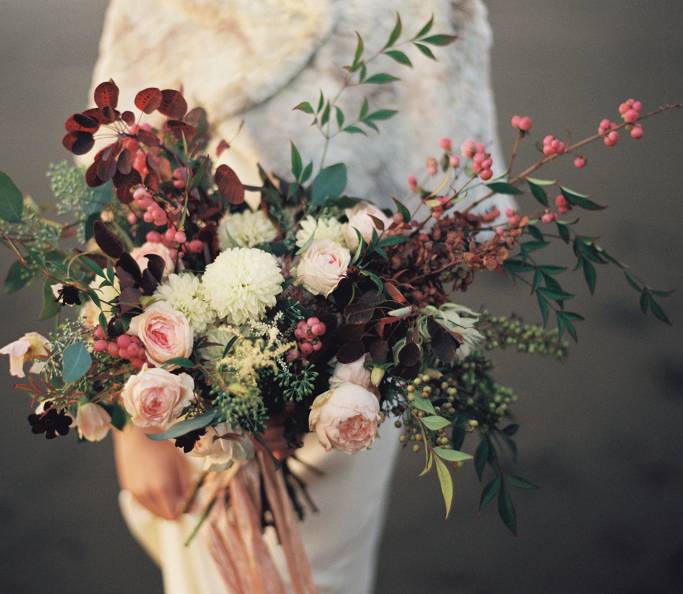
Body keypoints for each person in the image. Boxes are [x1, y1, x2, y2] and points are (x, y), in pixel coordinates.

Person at [86, 1, 512, 592]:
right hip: (194, 349)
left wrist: (375, 348)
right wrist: (136, 425)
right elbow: (128, 194)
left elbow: (454, 213)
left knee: (326, 577)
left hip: (359, 366)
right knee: (207, 568)